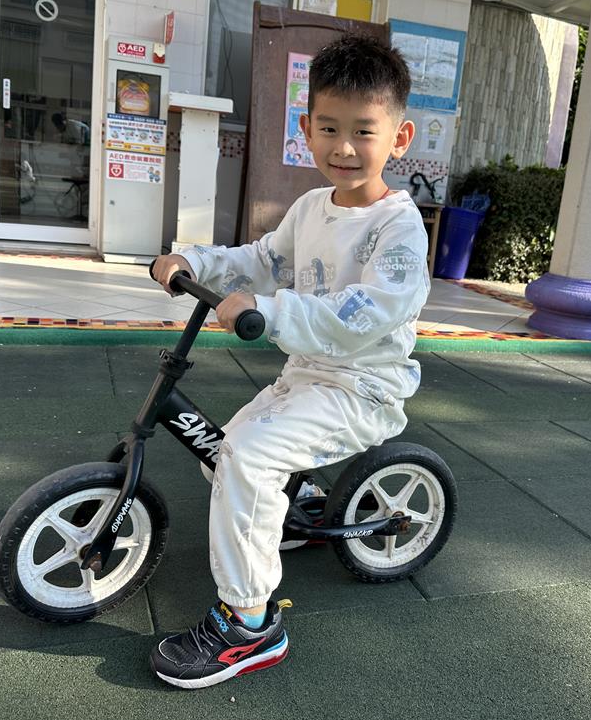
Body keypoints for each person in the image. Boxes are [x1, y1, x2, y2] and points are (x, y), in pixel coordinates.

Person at [149, 33, 427, 690]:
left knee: (246, 457)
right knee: (219, 450)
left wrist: (269, 312)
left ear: (399, 137)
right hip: (307, 374)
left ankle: (249, 624)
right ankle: (294, 509)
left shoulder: (397, 229)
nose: (344, 147)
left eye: (363, 131)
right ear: (306, 130)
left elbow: (364, 313)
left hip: (363, 387)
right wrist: (193, 259)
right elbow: (261, 261)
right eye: (328, 128)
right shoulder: (310, 208)